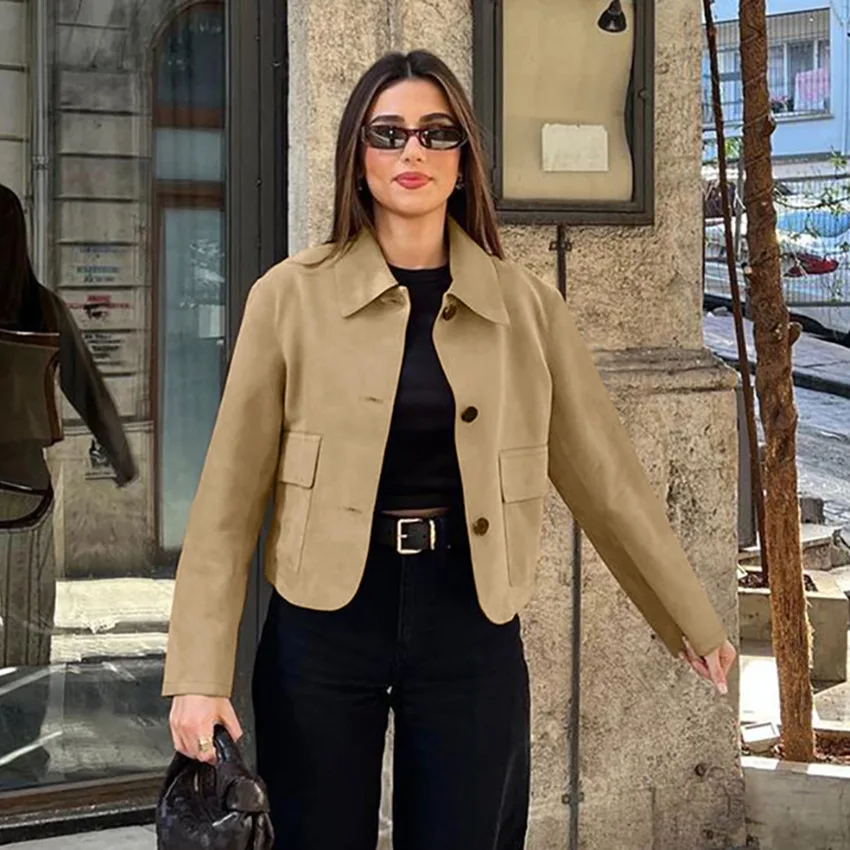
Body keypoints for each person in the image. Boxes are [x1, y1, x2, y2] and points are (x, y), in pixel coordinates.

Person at [164, 51, 736, 850]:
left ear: (464, 160)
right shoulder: (289, 297)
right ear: (357, 156)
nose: (413, 151)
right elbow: (228, 500)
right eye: (388, 133)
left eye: (437, 134)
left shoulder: (525, 308)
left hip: (469, 615)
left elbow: (606, 477)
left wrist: (691, 619)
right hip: (322, 622)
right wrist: (197, 675)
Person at [0, 183, 136, 787]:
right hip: (27, 493)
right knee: (28, 633)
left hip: (25, 491)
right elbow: (88, 388)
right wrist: (121, 458)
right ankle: (22, 756)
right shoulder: (44, 308)